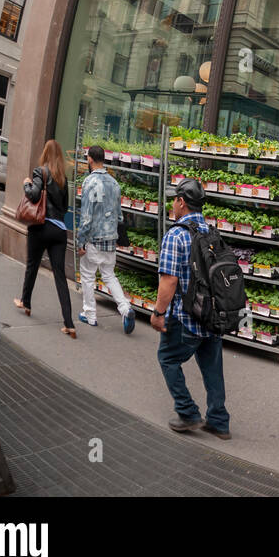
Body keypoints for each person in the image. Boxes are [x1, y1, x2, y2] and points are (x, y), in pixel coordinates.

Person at [151, 178, 230, 439]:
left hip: (186, 317)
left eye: (174, 200)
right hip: (212, 315)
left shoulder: (176, 235)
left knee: (168, 358)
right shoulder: (211, 232)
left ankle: (187, 412)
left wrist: (158, 313)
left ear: (182, 202)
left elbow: (169, 280)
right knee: (212, 368)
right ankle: (218, 421)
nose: (172, 205)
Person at [13, 139, 77, 338]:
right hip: (59, 231)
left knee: (32, 265)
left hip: (41, 227)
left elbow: (33, 196)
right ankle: (69, 324)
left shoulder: (40, 172)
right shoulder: (63, 178)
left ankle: (26, 302)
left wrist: (26, 183)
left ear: (45, 154)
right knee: (60, 276)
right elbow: (65, 208)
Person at [74, 144, 136, 334]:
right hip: (110, 239)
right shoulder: (114, 183)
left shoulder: (89, 182)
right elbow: (119, 215)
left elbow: (86, 217)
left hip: (93, 239)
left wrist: (80, 242)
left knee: (87, 276)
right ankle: (125, 308)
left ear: (90, 159)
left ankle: (90, 314)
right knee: (109, 275)